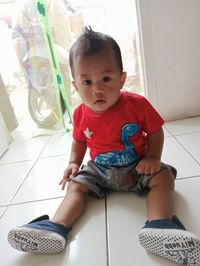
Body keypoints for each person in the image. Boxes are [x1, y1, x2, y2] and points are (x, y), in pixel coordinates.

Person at [8, 27, 200, 265]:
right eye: (87, 81)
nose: (96, 89)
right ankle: (56, 226)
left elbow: (155, 131)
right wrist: (73, 163)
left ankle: (159, 225)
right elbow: (79, 140)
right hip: (99, 170)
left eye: (105, 79)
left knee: (165, 177)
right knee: (76, 186)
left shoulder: (137, 105)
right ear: (75, 85)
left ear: (121, 79)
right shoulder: (80, 114)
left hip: (136, 168)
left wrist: (152, 157)